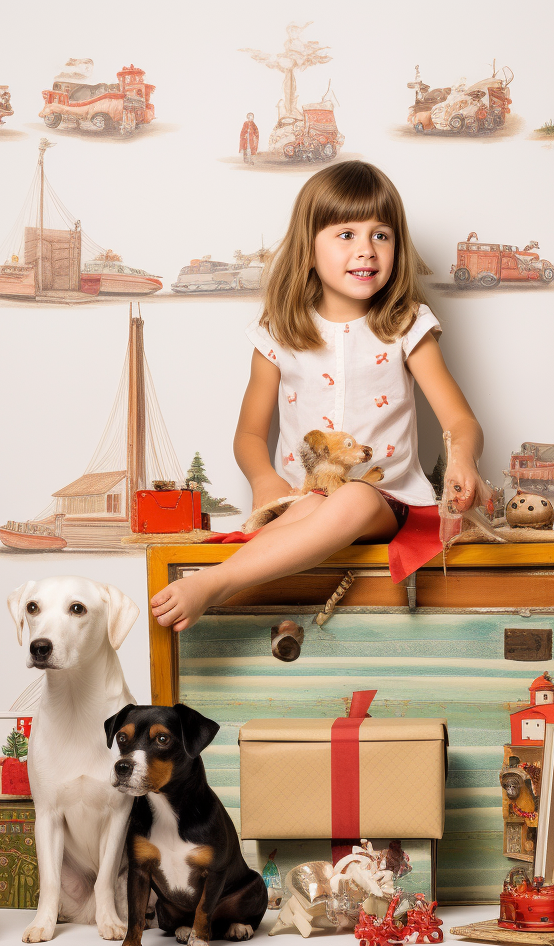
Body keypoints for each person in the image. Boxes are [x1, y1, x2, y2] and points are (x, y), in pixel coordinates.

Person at [151, 161, 488, 632]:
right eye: (346, 235)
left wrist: (464, 459)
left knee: (353, 498)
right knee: (313, 507)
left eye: (382, 235)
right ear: (309, 250)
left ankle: (218, 582)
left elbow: (461, 420)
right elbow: (249, 432)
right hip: (302, 497)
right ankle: (221, 581)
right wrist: (266, 482)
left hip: (385, 500)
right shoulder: (277, 333)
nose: (367, 250)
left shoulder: (408, 326)